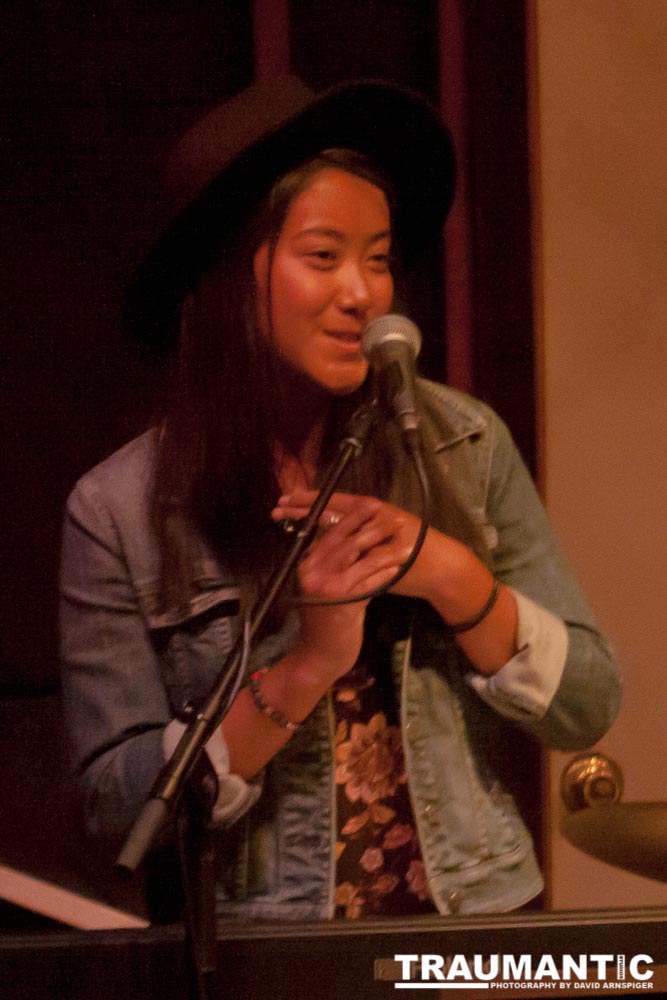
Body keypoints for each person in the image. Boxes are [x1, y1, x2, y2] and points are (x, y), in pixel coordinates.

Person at [59, 76, 620, 922]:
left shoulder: (464, 444)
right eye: (323, 257)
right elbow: (116, 810)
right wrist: (307, 664)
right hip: (264, 947)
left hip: (474, 929)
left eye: (378, 259)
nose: (361, 293)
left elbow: (586, 706)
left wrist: (453, 578)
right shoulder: (120, 508)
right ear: (229, 273)